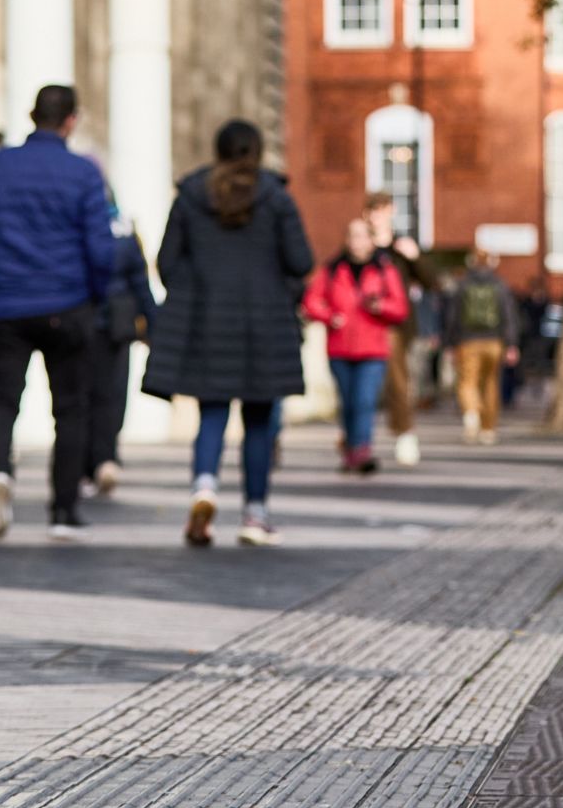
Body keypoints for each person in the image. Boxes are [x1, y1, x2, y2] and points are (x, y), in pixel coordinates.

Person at [0, 85, 117, 542]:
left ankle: (0, 471)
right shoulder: (83, 173)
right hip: (67, 303)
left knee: (2, 399)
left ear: (31, 116)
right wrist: (96, 297)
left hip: (5, 303)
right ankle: (63, 509)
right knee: (70, 408)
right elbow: (100, 247)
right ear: (71, 121)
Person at [142, 120, 312, 547]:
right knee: (258, 421)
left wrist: (193, 291)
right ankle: (255, 515)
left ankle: (204, 488)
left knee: (212, 414)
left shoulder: (191, 196)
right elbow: (301, 260)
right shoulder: (275, 197)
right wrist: (280, 292)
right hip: (263, 324)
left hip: (207, 321)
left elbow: (167, 262)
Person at [302, 218, 411, 473]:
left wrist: (379, 307)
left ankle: (362, 450)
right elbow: (311, 302)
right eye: (353, 236)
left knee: (364, 400)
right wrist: (330, 316)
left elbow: (400, 308)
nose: (357, 242)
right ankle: (351, 448)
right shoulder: (331, 270)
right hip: (340, 347)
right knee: (348, 402)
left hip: (372, 348)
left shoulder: (385, 271)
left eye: (362, 236)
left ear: (372, 240)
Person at [90, 207, 159, 496]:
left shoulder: (70, 227)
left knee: (77, 396)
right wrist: (154, 326)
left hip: (79, 319)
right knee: (112, 394)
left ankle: (86, 463)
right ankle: (105, 458)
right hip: (115, 325)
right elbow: (141, 285)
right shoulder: (125, 233)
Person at [362, 192, 427, 466]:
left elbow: (433, 281)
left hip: (394, 325)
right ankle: (357, 440)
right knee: (359, 386)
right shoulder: (359, 245)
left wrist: (415, 257)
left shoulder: (401, 246)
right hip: (361, 324)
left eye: (384, 209)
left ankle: (404, 434)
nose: (379, 215)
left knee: (398, 383)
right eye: (374, 210)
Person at [443, 251, 521, 445]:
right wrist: (511, 344)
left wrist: (450, 344)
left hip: (467, 341)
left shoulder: (462, 285)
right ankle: (488, 429)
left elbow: (452, 317)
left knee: (467, 382)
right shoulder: (499, 285)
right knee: (491, 383)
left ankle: (471, 414)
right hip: (494, 342)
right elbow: (509, 315)